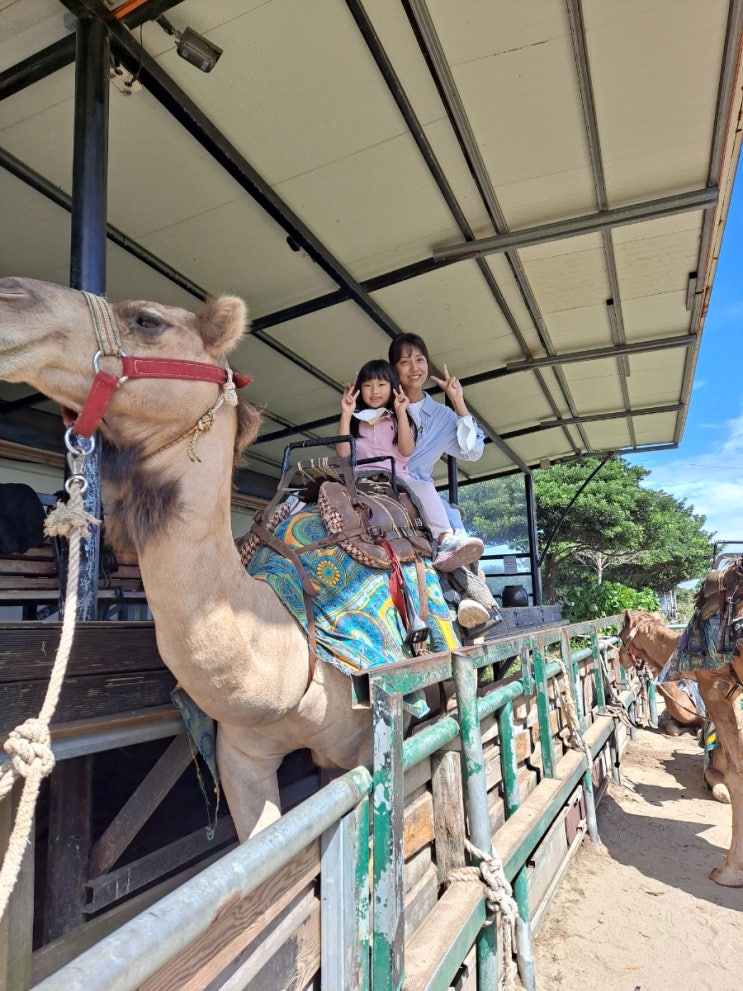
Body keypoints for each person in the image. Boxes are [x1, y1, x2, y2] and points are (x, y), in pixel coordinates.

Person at [337, 357, 482, 574]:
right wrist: (346, 414)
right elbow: (343, 453)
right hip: (359, 478)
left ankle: (445, 538)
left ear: (393, 388)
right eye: (367, 386)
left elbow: (406, 451)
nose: (374, 391)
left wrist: (401, 412)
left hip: (397, 477)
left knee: (424, 488)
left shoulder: (397, 419)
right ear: (359, 390)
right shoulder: (356, 421)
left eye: (381, 385)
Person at [388, 332, 486, 575]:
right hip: (378, 484)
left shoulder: (442, 415)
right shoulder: (381, 405)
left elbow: (473, 451)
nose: (414, 368)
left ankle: (468, 591)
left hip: (418, 490)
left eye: (419, 360)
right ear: (393, 369)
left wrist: (458, 403)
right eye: (404, 362)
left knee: (451, 526)